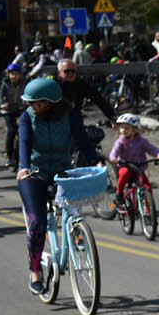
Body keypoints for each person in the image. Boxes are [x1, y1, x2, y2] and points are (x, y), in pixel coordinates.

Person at [14, 77, 99, 294]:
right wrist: (24, 167)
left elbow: (82, 140)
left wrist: (96, 160)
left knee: (74, 205)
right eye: (30, 103)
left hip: (62, 170)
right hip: (35, 172)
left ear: (50, 101)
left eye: (37, 102)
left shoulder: (69, 116)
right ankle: (35, 271)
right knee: (37, 222)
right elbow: (24, 143)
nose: (33, 107)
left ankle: (77, 232)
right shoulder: (27, 118)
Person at [107, 111, 159, 201]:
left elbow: (152, 149)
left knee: (147, 188)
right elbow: (115, 150)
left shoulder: (141, 141)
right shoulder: (121, 141)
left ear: (134, 129)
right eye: (121, 127)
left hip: (139, 168)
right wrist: (113, 157)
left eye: (126, 128)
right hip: (125, 166)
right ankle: (119, 194)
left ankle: (149, 210)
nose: (123, 130)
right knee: (123, 175)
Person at [55, 58, 118, 127]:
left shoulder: (80, 83)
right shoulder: (53, 85)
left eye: (73, 71)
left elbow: (98, 99)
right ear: (59, 72)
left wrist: (112, 117)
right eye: (66, 71)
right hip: (56, 121)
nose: (70, 73)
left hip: (75, 119)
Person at [0, 59, 27, 170]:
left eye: (16, 74)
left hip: (20, 108)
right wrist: (2, 104)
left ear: (20, 75)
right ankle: (9, 156)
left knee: (23, 130)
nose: (13, 76)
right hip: (8, 109)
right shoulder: (5, 83)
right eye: (11, 74)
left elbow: (27, 92)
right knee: (11, 130)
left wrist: (27, 103)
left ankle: (19, 157)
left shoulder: (24, 82)